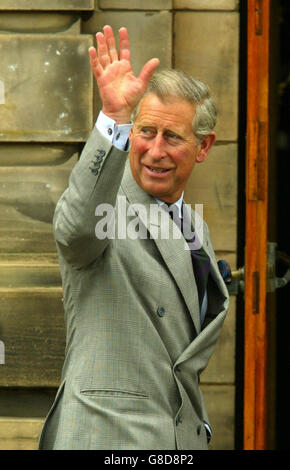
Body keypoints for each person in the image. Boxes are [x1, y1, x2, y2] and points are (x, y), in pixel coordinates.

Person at [38, 25, 229, 450]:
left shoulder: (196, 227)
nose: (155, 150)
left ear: (203, 146)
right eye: (145, 132)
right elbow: (75, 231)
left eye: (173, 137)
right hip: (106, 437)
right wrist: (114, 121)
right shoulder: (105, 205)